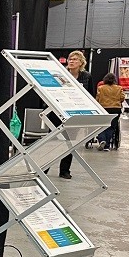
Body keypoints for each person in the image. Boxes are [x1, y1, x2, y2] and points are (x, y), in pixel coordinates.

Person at [58, 50, 93, 179]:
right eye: (70, 59)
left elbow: (90, 95)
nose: (71, 61)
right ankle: (45, 169)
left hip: (76, 113)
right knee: (53, 141)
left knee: (70, 142)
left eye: (75, 59)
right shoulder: (61, 74)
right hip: (59, 111)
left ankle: (64, 170)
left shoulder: (86, 76)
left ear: (81, 62)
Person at [95, 73, 125, 150]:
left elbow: (97, 99)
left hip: (103, 109)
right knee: (111, 127)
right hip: (116, 109)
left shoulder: (101, 88)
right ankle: (107, 146)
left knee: (101, 126)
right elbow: (122, 98)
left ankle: (102, 140)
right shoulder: (119, 88)